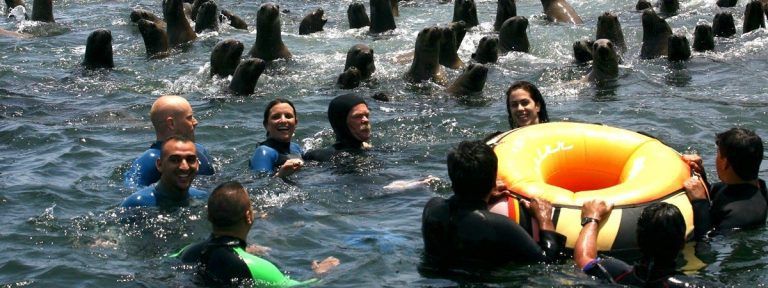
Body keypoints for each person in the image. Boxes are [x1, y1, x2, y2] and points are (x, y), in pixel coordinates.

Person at [421, 140, 565, 267]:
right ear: (493, 179)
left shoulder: (432, 209)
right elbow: (547, 262)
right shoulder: (500, 226)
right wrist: (544, 220)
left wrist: (487, 191)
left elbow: (461, 204)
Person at [174, 181, 339, 286]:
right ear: (249, 216)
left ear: (209, 216)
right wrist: (319, 274)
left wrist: (239, 252)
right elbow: (300, 286)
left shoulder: (187, 251)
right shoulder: (258, 267)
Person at [574, 200, 720, 287]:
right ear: (682, 243)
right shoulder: (695, 285)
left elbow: (584, 259)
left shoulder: (614, 272)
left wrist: (592, 219)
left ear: (638, 240)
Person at [682, 127, 766, 237]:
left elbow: (706, 242)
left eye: (718, 154)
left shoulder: (739, 215)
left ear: (725, 162)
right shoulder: (756, 187)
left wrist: (700, 203)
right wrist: (700, 172)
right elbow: (714, 192)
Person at [123, 95, 215, 189]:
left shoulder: (201, 149)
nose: (195, 122)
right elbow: (131, 190)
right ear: (171, 123)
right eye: (189, 118)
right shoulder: (149, 160)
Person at [120, 135, 208, 209]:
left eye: (190, 159)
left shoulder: (202, 197)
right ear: (160, 165)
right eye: (175, 160)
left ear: (197, 164)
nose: (184, 167)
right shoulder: (137, 204)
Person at [304, 94, 371, 162]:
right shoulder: (319, 157)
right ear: (341, 122)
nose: (366, 120)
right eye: (358, 116)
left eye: (367, 115)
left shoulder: (372, 150)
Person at [249, 99, 304, 177]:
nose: (283, 120)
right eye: (276, 117)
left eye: (288, 116)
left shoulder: (296, 148)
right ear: (266, 125)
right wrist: (280, 175)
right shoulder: (264, 152)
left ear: (295, 123)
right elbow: (259, 184)